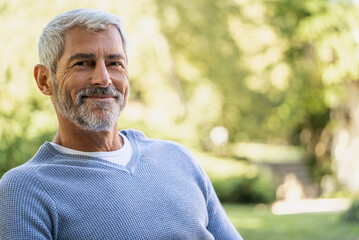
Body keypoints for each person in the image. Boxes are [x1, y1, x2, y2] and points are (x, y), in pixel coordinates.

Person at [0, 8, 242, 240]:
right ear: (45, 80)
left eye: (115, 63)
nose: (103, 79)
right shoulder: (25, 190)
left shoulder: (178, 158)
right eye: (83, 63)